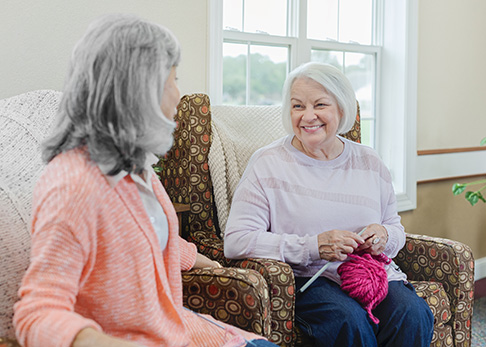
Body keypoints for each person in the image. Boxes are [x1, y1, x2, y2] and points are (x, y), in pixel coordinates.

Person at [13, 14, 276, 347]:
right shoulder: (73, 185)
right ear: (137, 91)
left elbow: (138, 234)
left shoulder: (136, 168)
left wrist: (194, 257)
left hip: (182, 331)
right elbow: (36, 312)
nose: (178, 96)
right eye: (171, 81)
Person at [224, 62, 434, 346]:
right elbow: (237, 241)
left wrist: (383, 236)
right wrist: (314, 246)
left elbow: (394, 228)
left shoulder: (369, 161)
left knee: (413, 313)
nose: (308, 116)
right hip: (309, 280)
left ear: (342, 109)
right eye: (298, 106)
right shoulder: (268, 163)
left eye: (320, 104)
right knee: (348, 321)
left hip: (370, 275)